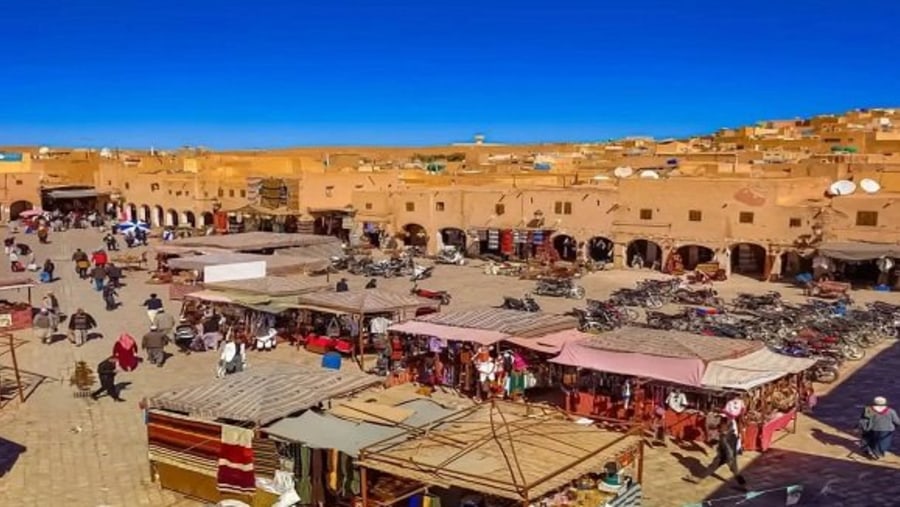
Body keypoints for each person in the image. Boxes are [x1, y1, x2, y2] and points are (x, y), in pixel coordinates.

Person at [685, 418, 747, 488]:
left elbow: (728, 449)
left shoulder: (727, 436)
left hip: (728, 456)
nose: (719, 429)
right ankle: (699, 478)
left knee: (734, 470)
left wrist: (729, 459)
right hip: (725, 455)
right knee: (714, 466)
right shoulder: (729, 433)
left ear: (726, 426)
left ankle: (743, 485)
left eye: (721, 426)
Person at [860, 396, 900, 460]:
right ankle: (878, 453)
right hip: (887, 429)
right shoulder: (891, 411)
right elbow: (897, 421)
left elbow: (864, 419)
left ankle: (871, 451)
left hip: (873, 428)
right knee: (884, 442)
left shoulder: (869, 410)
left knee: (873, 440)